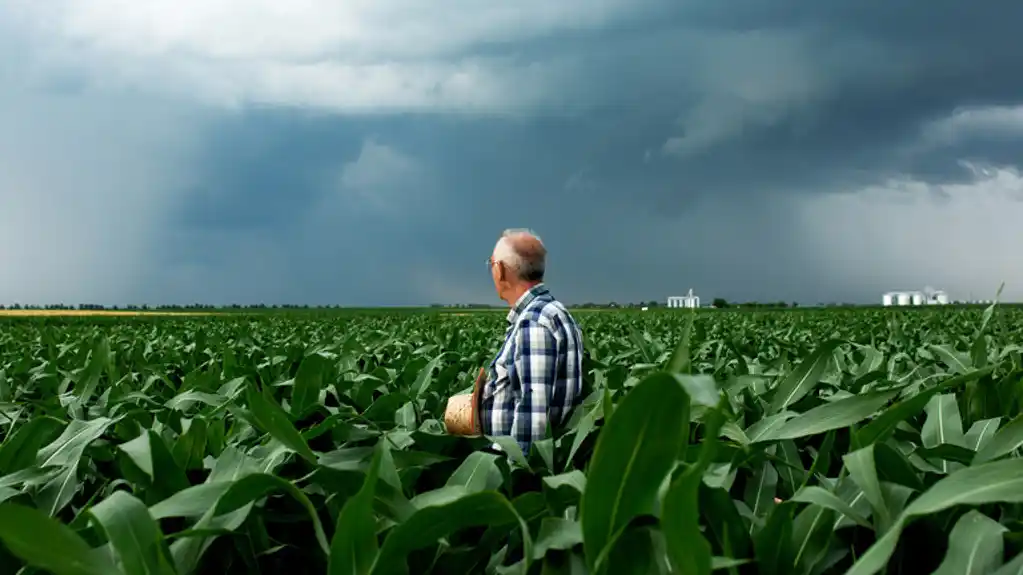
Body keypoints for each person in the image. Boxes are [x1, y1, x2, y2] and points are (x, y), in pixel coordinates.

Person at [477, 228, 585, 456]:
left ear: (501, 270)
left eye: (492, 263)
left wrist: (512, 472)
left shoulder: (534, 322)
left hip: (518, 468)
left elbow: (533, 417)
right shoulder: (554, 311)